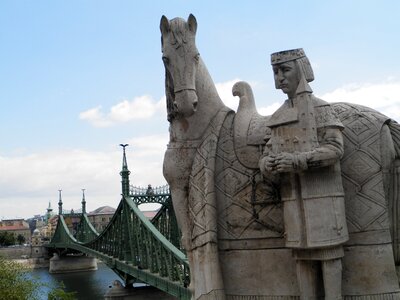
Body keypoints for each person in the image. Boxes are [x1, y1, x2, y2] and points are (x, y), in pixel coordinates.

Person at [259, 48, 349, 300]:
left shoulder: (321, 109)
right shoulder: (277, 117)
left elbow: (334, 149)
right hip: (293, 206)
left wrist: (297, 160)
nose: (279, 78)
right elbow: (265, 156)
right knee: (303, 260)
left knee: (330, 259)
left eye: (285, 70)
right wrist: (269, 165)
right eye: (275, 72)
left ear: (302, 69)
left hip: (324, 203)